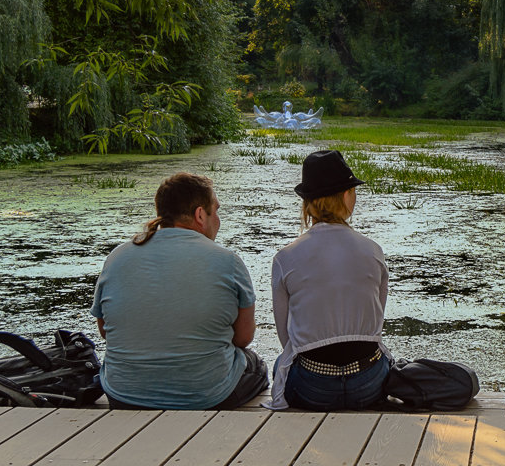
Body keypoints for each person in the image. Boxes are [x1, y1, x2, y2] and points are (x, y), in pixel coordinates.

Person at [91, 172, 268, 409]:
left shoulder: (116, 257)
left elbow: (105, 330)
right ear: (199, 214)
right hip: (208, 396)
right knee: (256, 365)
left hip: (123, 394)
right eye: (216, 210)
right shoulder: (228, 261)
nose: (218, 219)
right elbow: (244, 338)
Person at [268, 150, 390, 410]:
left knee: (281, 362)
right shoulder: (373, 250)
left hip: (313, 387)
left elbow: (285, 336)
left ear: (307, 203)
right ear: (346, 196)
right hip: (368, 385)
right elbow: (375, 322)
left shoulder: (285, 257)